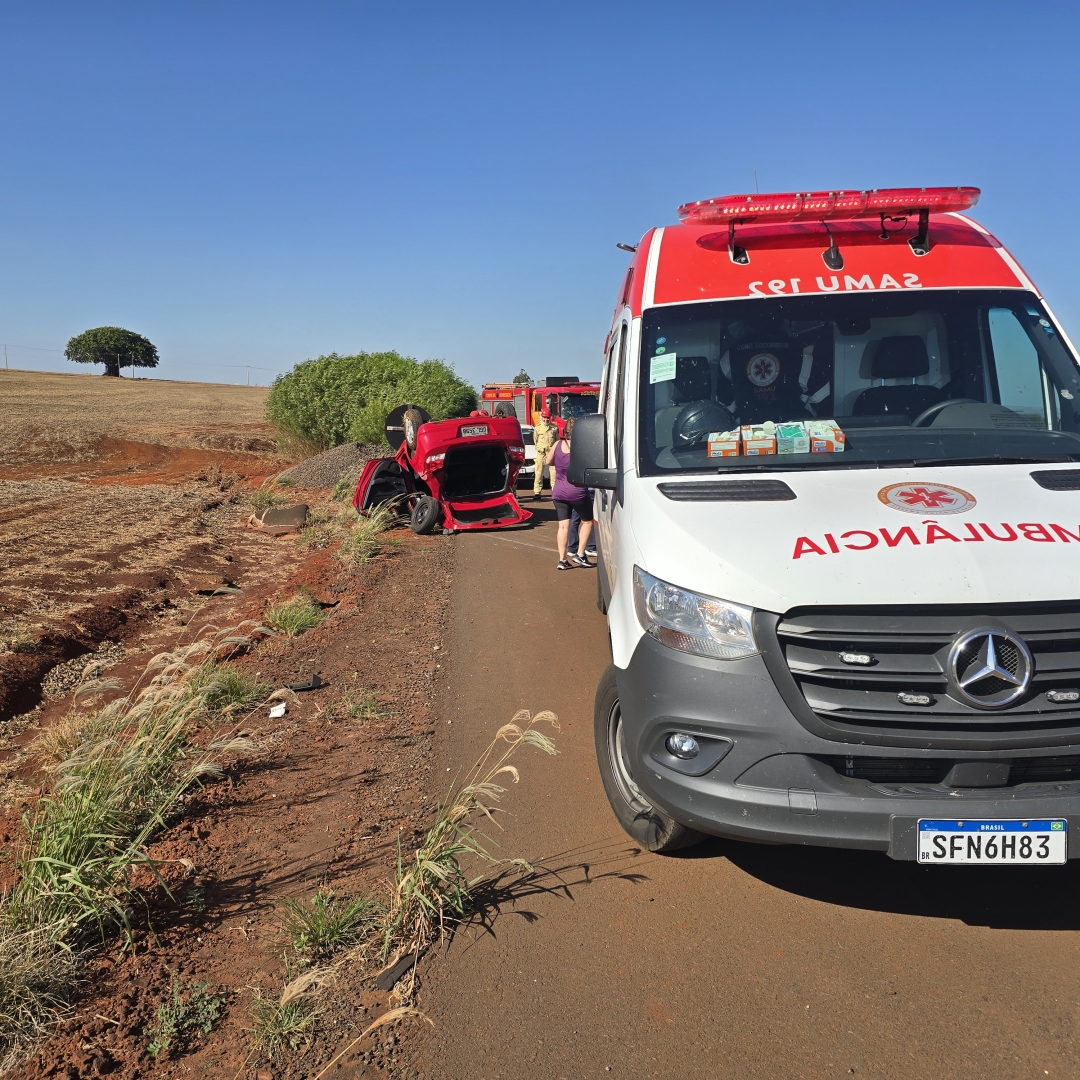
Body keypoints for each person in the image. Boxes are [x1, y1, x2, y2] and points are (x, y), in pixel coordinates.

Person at [545, 416, 594, 570]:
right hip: (577, 491)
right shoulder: (582, 448)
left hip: (558, 492)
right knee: (587, 521)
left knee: (563, 527)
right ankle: (580, 554)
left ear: (564, 431)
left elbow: (548, 461)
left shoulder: (557, 444)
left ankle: (562, 560)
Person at [532, 408, 557, 499]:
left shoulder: (554, 428)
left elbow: (557, 441)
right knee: (538, 473)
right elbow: (535, 440)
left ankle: (555, 492)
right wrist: (540, 448)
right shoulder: (538, 428)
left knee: (553, 473)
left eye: (547, 418)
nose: (546, 420)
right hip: (541, 453)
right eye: (544, 418)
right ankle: (537, 492)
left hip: (551, 453)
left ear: (550, 418)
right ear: (542, 417)